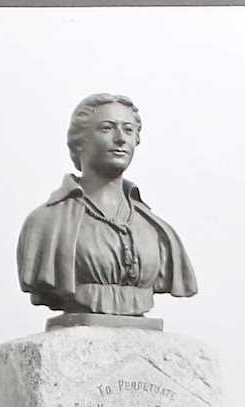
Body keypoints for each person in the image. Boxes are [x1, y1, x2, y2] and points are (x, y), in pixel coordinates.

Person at [16, 93, 197, 316]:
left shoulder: (158, 231)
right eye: (107, 128)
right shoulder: (45, 223)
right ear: (80, 141)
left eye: (128, 130)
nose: (120, 138)